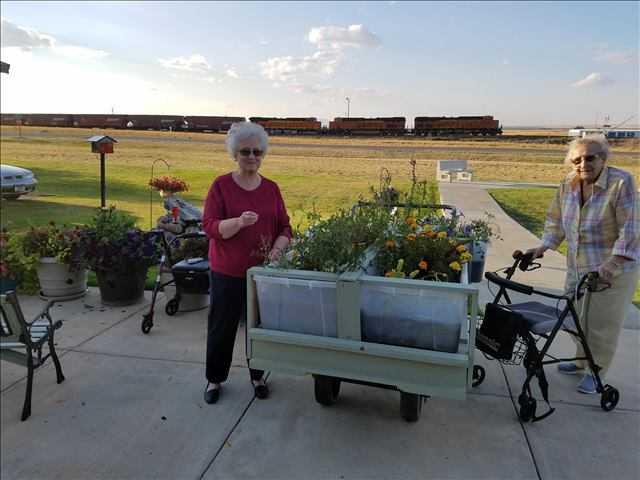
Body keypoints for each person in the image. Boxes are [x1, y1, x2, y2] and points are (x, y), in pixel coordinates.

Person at [526, 135, 639, 394]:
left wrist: (612, 263)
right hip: (579, 266)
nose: (583, 164)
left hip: (613, 270)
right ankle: (580, 361)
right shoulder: (568, 183)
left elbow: (631, 229)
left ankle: (595, 371)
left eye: (590, 158)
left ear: (603, 159)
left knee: (600, 325)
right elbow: (555, 220)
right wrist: (543, 247)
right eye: (577, 159)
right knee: (575, 318)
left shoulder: (621, 182)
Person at [202, 122, 291, 404]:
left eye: (257, 151)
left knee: (259, 329)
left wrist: (278, 248)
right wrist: (239, 223)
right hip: (227, 271)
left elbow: (286, 228)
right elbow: (211, 226)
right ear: (234, 154)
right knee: (222, 328)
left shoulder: (272, 189)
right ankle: (214, 380)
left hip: (261, 274)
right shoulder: (221, 186)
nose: (252, 157)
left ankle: (257, 376)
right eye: (245, 152)